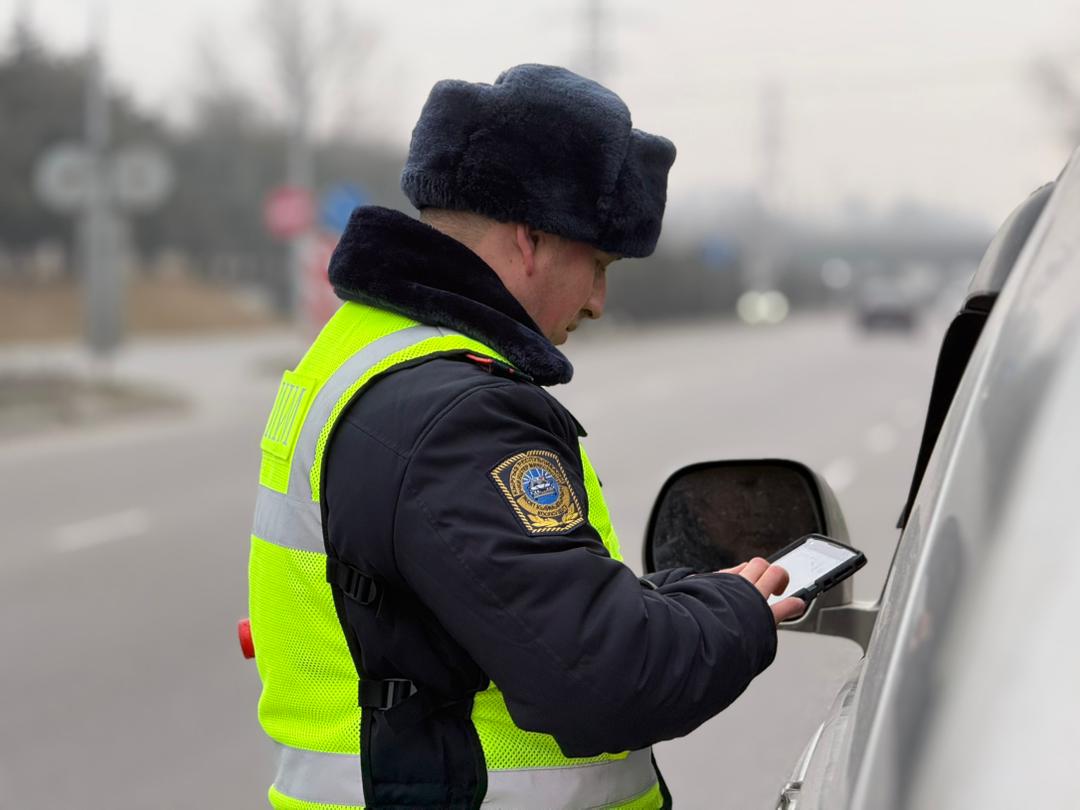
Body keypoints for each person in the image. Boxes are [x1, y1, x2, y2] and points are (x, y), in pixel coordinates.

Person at [247, 63, 804, 810]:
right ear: (532, 238)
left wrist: (684, 599)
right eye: (599, 264)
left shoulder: (360, 351)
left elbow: (498, 607)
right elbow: (599, 679)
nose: (600, 302)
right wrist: (738, 615)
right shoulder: (459, 413)